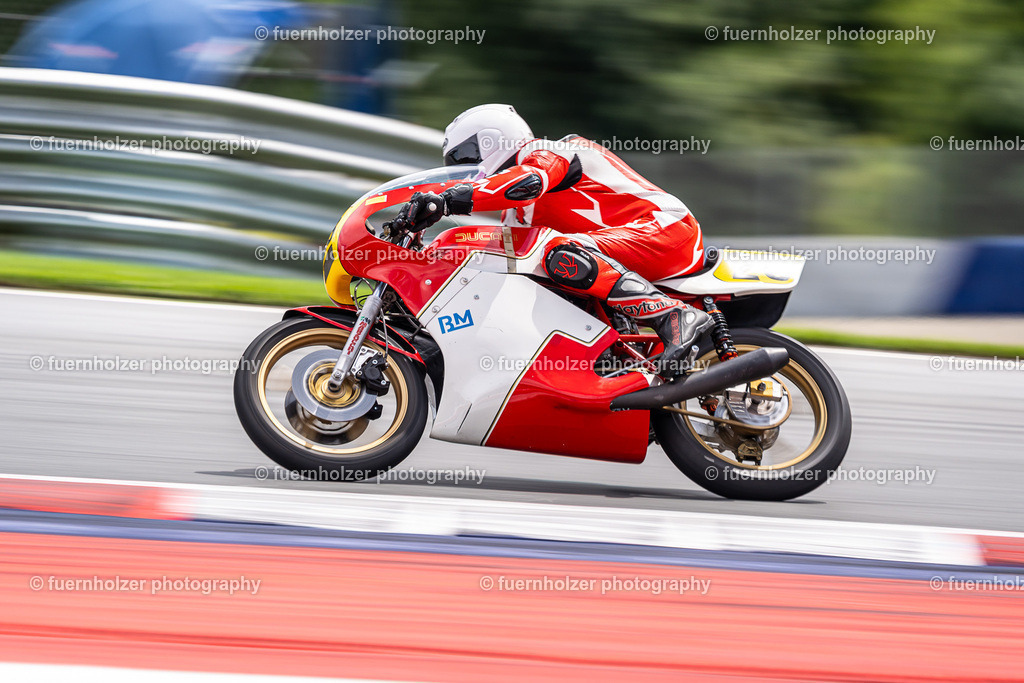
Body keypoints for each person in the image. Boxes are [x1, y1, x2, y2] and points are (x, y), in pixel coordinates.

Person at [406, 103, 713, 373]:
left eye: (465, 156)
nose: (463, 169)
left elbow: (529, 181)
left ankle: (674, 315)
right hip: (632, 247)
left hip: (665, 228)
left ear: (494, 139)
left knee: (560, 252)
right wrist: (426, 258)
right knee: (540, 278)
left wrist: (446, 200)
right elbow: (495, 266)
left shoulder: (551, 152)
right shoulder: (516, 214)